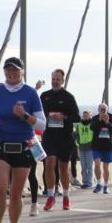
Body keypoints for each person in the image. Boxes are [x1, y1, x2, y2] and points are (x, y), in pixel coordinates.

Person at [0, 56, 45, 223]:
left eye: (15, 70)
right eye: (8, 70)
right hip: (0, 144)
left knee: (16, 193)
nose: (11, 74)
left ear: (22, 72)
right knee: (1, 188)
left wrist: (24, 115)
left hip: (23, 147)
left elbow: (42, 124)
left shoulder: (31, 93)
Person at [36, 69, 81, 212]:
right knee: (49, 163)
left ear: (62, 81)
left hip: (65, 137)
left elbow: (77, 117)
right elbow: (37, 113)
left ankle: (66, 196)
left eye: (57, 79)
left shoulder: (68, 97)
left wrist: (64, 117)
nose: (55, 81)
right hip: (49, 135)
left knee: (63, 167)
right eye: (53, 79)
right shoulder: (44, 96)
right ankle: (51, 196)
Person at [90, 104, 112, 194]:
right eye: (101, 109)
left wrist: (107, 122)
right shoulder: (95, 118)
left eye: (104, 109)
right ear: (98, 110)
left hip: (107, 146)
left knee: (105, 167)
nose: (102, 111)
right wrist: (99, 120)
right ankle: (99, 183)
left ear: (107, 110)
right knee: (97, 164)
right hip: (96, 145)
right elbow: (92, 128)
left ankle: (106, 186)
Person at [75, 110, 94, 189]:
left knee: (89, 166)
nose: (85, 116)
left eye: (87, 115)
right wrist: (77, 143)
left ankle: (89, 182)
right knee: (83, 166)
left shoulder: (92, 124)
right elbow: (76, 135)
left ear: (90, 116)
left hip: (90, 147)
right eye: (84, 115)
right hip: (82, 147)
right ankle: (85, 182)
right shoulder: (79, 125)